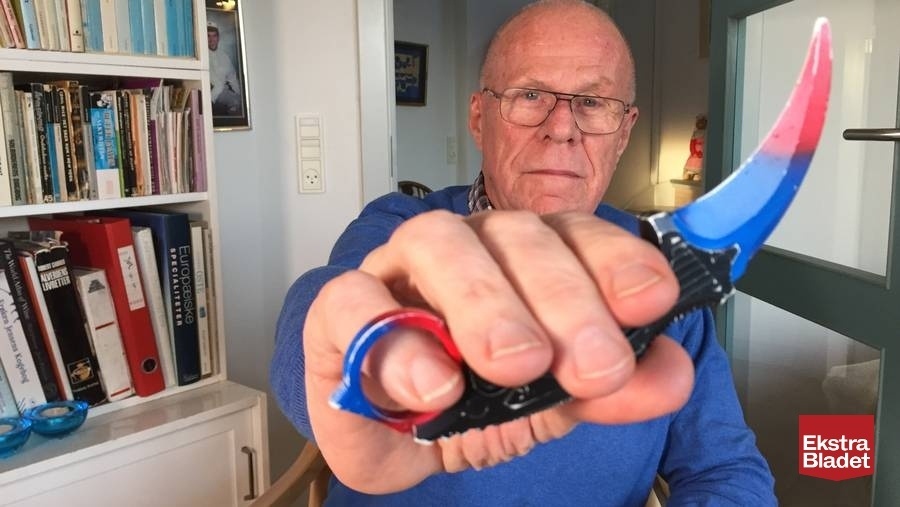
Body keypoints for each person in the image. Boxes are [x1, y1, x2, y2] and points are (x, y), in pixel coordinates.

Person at [272, 1, 776, 505]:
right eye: (530, 95)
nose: (562, 128)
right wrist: (358, 366)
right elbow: (323, 313)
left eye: (592, 102)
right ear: (479, 118)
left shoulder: (657, 270)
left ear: (624, 132)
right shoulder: (399, 225)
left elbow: (726, 471)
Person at [207, 20, 242, 116]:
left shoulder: (224, 56)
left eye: (214, 36)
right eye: (208, 36)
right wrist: (209, 102)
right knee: (234, 102)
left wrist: (240, 96)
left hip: (223, 92)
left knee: (238, 102)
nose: (211, 39)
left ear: (218, 38)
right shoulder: (203, 56)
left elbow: (233, 78)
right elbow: (217, 84)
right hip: (210, 93)